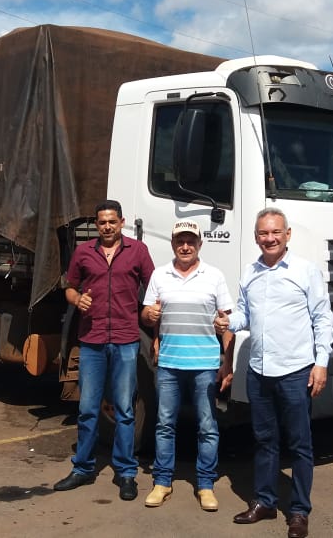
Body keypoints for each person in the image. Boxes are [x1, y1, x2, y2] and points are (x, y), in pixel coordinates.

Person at [214, 207, 333, 538]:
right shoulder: (250, 273)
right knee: (264, 440)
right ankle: (265, 502)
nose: (269, 239)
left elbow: (323, 318)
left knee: (299, 444)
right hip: (259, 371)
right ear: (256, 238)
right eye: (263, 234)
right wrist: (228, 322)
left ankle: (298, 511)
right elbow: (245, 316)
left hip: (296, 371)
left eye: (275, 233)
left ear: (287, 235)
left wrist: (321, 362)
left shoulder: (305, 271)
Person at [54, 199, 155, 501]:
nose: (107, 226)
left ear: (122, 222)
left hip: (125, 339)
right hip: (92, 340)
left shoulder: (137, 251)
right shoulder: (84, 252)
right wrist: (76, 300)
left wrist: (154, 319)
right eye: (102, 222)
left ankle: (126, 473)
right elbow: (70, 286)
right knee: (87, 409)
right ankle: (82, 469)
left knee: (124, 410)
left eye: (112, 221)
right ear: (96, 225)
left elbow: (154, 286)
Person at [139, 219, 234, 512]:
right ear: (172, 244)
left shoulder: (214, 276)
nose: (185, 246)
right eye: (180, 241)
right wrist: (150, 320)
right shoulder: (160, 275)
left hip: (205, 363)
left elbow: (228, 322)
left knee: (207, 426)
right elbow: (147, 313)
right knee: (165, 424)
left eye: (190, 241)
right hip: (169, 363)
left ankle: (205, 485)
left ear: (199, 245)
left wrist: (227, 364)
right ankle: (162, 482)